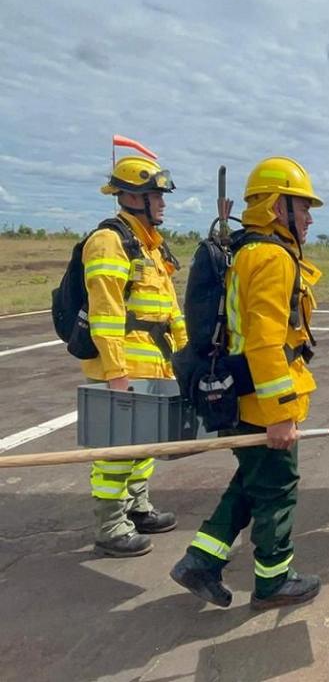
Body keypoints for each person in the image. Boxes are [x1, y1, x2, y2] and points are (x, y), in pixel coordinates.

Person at [171, 157, 324, 610]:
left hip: (241, 396)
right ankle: (274, 581)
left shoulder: (249, 252)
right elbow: (264, 343)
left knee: (251, 480)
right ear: (280, 207)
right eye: (304, 207)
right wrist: (280, 415)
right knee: (277, 488)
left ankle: (201, 560)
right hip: (261, 404)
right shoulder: (273, 258)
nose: (311, 218)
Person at [86, 155, 185, 557]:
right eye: (153, 195)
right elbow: (106, 314)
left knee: (143, 444)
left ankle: (137, 506)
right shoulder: (108, 242)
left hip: (156, 364)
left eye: (160, 194)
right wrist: (115, 374)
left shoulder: (151, 247)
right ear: (128, 196)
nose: (161, 202)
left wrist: (184, 354)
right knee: (116, 450)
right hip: (125, 366)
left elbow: (170, 309)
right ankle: (111, 525)